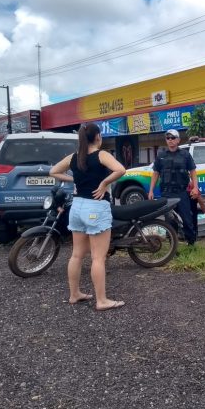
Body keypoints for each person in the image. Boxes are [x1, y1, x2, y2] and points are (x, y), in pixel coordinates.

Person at [50, 122, 126, 312]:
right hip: (96, 208)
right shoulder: (101, 155)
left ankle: (74, 294)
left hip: (77, 207)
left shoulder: (74, 157)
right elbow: (121, 170)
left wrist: (73, 178)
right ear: (98, 136)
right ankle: (101, 300)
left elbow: (53, 171)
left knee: (76, 254)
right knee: (98, 258)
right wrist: (104, 183)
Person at [148, 129, 199, 245]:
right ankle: (173, 245)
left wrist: (195, 188)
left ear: (178, 140)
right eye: (168, 138)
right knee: (170, 221)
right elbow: (155, 173)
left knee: (187, 219)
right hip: (167, 193)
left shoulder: (185, 155)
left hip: (181, 193)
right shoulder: (161, 155)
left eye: (173, 138)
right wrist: (151, 190)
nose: (170, 140)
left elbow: (193, 171)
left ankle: (191, 243)